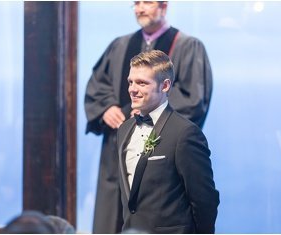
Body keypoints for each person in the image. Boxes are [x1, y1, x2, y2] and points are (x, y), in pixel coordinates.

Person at [84, 1, 213, 233]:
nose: (140, 8)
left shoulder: (188, 46)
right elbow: (97, 85)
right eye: (136, 3)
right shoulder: (120, 45)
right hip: (119, 141)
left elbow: (194, 97)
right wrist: (106, 108)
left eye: (147, 2)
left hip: (162, 151)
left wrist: (150, 111)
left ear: (164, 6)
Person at [117, 50, 219, 233]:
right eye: (130, 82)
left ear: (164, 86)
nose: (132, 89)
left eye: (141, 83)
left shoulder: (185, 133)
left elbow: (205, 199)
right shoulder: (124, 130)